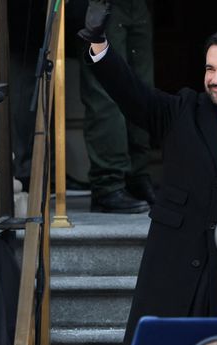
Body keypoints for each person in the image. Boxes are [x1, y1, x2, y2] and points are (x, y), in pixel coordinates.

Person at [77, 1, 217, 343]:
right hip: (174, 276)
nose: (216, 79)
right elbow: (132, 94)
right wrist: (99, 45)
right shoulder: (182, 111)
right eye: (210, 69)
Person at [77, 0, 155, 213]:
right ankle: (108, 184)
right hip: (102, 5)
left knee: (142, 88)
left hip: (138, 5)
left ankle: (137, 175)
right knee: (105, 94)